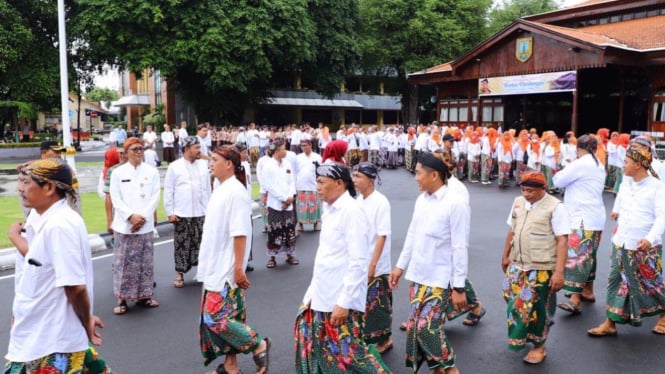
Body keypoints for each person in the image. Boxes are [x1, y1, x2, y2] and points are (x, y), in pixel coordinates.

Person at [6, 158, 106, 373]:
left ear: (49, 187)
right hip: (39, 330)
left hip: (51, 341)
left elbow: (74, 286)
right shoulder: (40, 216)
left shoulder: (60, 224)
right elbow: (39, 263)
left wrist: (86, 319)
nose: (19, 188)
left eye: (25, 182)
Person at [295, 162, 389, 373]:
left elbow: (358, 262)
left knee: (350, 353)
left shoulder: (351, 212)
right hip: (323, 292)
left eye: (321, 182)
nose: (317, 187)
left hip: (339, 298)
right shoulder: (329, 208)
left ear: (339, 183)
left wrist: (344, 303)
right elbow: (329, 255)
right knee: (322, 347)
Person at [388, 152, 470, 374]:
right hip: (418, 274)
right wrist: (399, 266)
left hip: (441, 278)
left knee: (426, 328)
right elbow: (412, 234)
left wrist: (459, 287)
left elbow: (459, 247)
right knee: (416, 327)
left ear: (434, 175)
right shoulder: (421, 200)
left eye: (418, 173)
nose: (415, 178)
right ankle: (438, 370)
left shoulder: (455, 204)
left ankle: (451, 368)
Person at [197, 146, 271, 374]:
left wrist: (238, 267)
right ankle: (231, 366)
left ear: (229, 163)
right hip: (213, 263)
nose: (210, 162)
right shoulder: (221, 188)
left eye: (215, 159)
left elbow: (240, 232)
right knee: (229, 316)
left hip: (226, 268)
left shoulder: (236, 192)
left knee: (216, 318)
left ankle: (259, 344)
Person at [587, 147, 665, 337]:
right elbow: (621, 199)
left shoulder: (656, 186)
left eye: (626, 162)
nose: (623, 165)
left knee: (651, 282)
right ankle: (610, 322)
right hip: (621, 241)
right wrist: (617, 210)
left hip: (644, 245)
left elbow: (662, 216)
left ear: (637, 165)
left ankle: (663, 314)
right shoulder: (626, 183)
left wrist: (650, 238)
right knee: (615, 280)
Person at [501, 171, 569, 364]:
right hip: (518, 264)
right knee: (511, 298)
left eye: (530, 190)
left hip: (541, 267)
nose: (526, 194)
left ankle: (539, 345)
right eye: (523, 189)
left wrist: (559, 272)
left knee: (538, 308)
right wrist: (505, 255)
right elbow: (512, 230)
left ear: (542, 189)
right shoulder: (518, 202)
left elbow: (562, 240)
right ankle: (526, 333)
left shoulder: (555, 207)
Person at [552, 135, 606, 314]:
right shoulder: (598, 163)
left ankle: (575, 299)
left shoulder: (581, 163)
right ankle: (588, 291)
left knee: (577, 255)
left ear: (578, 148)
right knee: (589, 255)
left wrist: (571, 162)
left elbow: (557, 180)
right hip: (595, 217)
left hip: (582, 217)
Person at [109, 137, 161, 315]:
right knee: (123, 263)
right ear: (125, 153)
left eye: (141, 149)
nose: (139, 152)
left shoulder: (152, 171)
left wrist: (142, 218)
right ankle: (122, 299)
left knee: (145, 263)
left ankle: (144, 296)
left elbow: (154, 197)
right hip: (125, 226)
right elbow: (116, 198)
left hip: (144, 225)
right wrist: (131, 217)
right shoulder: (117, 173)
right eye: (134, 149)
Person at [352, 163, 394, 354]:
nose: (354, 180)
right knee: (362, 304)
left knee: (377, 305)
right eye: (353, 176)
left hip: (376, 263)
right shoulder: (358, 201)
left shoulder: (380, 202)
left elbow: (382, 235)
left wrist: (373, 264)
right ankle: (366, 339)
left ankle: (384, 340)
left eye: (358, 176)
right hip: (360, 260)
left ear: (370, 180)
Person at [164, 136, 211, 289]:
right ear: (186, 149)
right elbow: (169, 191)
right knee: (181, 244)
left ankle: (204, 273)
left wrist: (209, 209)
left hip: (201, 212)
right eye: (196, 148)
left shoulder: (204, 166)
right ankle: (180, 275)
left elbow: (207, 190)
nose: (199, 151)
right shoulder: (174, 167)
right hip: (182, 213)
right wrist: (170, 212)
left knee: (203, 244)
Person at [262, 138, 299, 268]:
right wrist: (283, 198)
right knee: (274, 230)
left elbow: (292, 182)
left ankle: (290, 255)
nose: (286, 151)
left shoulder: (287, 163)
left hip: (288, 203)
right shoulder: (268, 166)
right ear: (277, 151)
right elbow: (269, 186)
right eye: (284, 149)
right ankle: (272, 257)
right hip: (275, 204)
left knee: (289, 229)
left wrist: (290, 198)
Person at [294, 138, 323, 232]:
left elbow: (321, 171)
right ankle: (300, 224)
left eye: (305, 145)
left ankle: (315, 224)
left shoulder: (317, 157)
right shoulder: (297, 158)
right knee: (301, 206)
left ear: (310, 145)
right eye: (302, 146)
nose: (304, 147)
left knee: (314, 205)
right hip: (300, 185)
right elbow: (294, 172)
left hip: (313, 185)